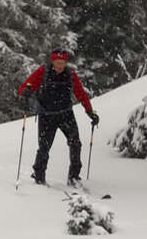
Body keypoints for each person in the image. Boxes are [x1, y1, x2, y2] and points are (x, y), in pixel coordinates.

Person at [17, 48, 98, 187]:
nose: (60, 65)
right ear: (52, 61)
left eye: (62, 62)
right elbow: (26, 85)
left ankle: (74, 177)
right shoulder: (43, 72)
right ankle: (39, 175)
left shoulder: (70, 75)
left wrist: (90, 112)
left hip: (66, 114)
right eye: (57, 62)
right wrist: (26, 92)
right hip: (46, 116)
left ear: (66, 63)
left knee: (75, 143)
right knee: (44, 147)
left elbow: (81, 94)